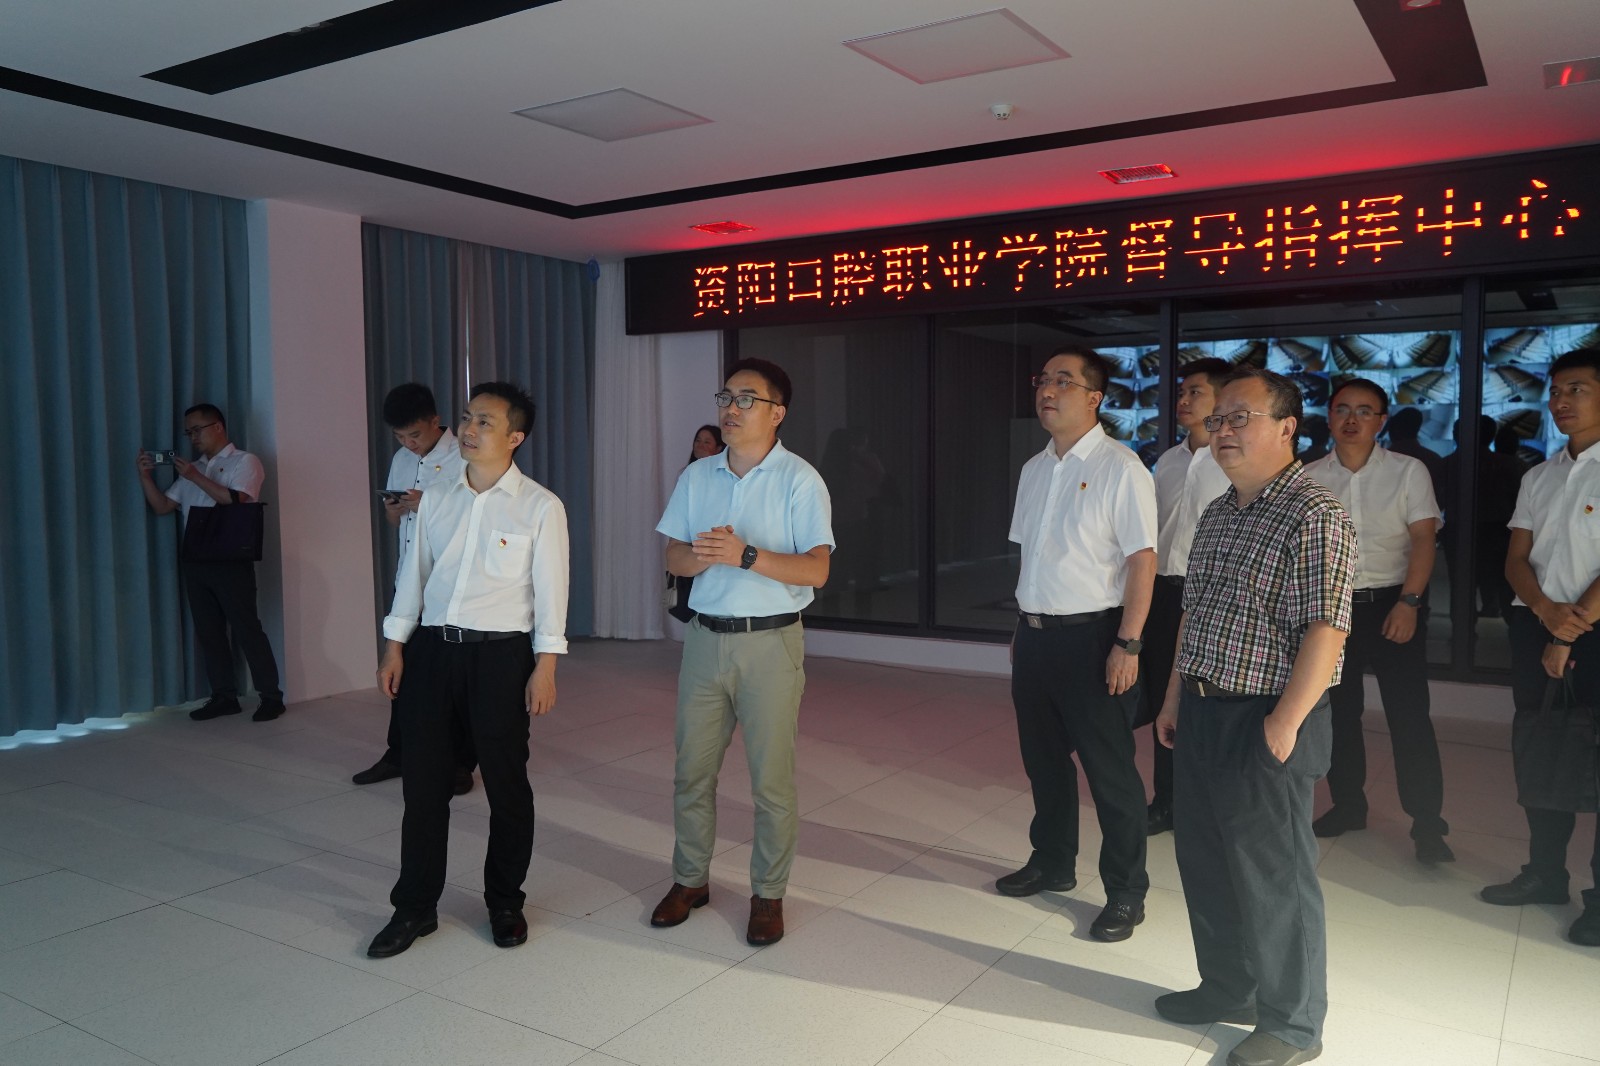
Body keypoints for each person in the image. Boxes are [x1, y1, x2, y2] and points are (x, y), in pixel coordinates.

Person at [1154, 367, 1356, 1066]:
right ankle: (1228, 986)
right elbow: (1193, 614)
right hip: (1202, 708)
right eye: (1218, 419)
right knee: (1206, 860)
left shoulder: (1314, 513)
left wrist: (1285, 722)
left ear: (1287, 428)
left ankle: (1293, 1026)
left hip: (1266, 717)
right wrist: (1175, 696)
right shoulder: (1218, 512)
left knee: (1275, 878)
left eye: (1240, 417)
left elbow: (1327, 628)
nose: (1223, 430)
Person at [366, 382, 569, 959]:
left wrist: (546, 667)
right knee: (423, 786)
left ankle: (505, 901)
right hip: (433, 652)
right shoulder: (437, 497)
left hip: (500, 657)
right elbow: (414, 576)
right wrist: (394, 646)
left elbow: (551, 593)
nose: (470, 430)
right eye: (467, 418)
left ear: (515, 437)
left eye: (485, 422)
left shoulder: (539, 506)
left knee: (506, 784)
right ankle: (414, 907)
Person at [650, 358, 833, 947]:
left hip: (771, 642)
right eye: (726, 397)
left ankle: (768, 894)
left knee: (770, 781)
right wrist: (704, 555)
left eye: (746, 399)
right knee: (691, 772)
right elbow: (674, 558)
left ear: (777, 413)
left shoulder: (800, 479)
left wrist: (745, 555)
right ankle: (689, 880)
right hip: (705, 641)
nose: (731, 408)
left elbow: (817, 569)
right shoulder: (698, 476)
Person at [998, 346, 1157, 944]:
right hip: (1037, 637)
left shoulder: (1122, 467)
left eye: (1064, 381)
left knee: (1110, 773)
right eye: (1043, 379)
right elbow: (1033, 558)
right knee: (1043, 761)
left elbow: (1142, 561)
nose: (1047, 390)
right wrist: (1022, 629)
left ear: (1095, 397)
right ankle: (1052, 861)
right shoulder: (1034, 469)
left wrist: (1129, 644)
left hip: (1095, 639)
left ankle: (1126, 891)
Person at [1304, 379, 1451, 863]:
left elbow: (1424, 540)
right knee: (1339, 714)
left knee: (1409, 716)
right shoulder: (1307, 477)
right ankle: (1348, 806)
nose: (1352, 419)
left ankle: (1427, 824)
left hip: (1394, 602)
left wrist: (1409, 602)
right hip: (1333, 609)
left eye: (1365, 411)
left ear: (1381, 421)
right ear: (1329, 417)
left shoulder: (1408, 471)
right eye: (1343, 409)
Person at [1482, 347, 1600, 948]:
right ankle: (1546, 873)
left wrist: (1565, 629)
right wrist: (1547, 615)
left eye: (1576, 389)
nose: (1560, 401)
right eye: (1555, 391)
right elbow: (1515, 559)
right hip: (1538, 623)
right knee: (1540, 746)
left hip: (1590, 631)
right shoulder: (1539, 475)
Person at [352, 383, 475, 795]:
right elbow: (396, 524)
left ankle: (460, 762)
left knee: (453, 676)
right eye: (400, 437)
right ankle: (398, 753)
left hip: (450, 586)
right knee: (400, 667)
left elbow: (477, 522)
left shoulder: (465, 457)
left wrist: (431, 505)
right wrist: (394, 509)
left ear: (435, 421)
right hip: (409, 580)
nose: (409, 444)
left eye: (415, 435)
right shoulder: (401, 459)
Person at [136, 403, 284, 722]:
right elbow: (162, 506)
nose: (192, 438)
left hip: (231, 557)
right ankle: (223, 696)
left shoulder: (245, 461)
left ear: (217, 427)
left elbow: (234, 500)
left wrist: (194, 476)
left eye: (196, 430)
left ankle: (271, 696)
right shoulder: (193, 467)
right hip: (196, 556)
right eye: (188, 433)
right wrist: (145, 477)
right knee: (209, 631)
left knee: (246, 627)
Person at [1143, 357, 1233, 835]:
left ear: (1222, 399)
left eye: (1195, 392)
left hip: (1212, 598)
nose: (1183, 400)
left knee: (1210, 703)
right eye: (1181, 392)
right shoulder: (1168, 461)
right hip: (1163, 593)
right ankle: (1167, 800)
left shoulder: (1233, 461)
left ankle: (1208, 805)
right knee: (1166, 697)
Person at [667, 425, 725, 624]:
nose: (700, 445)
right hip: (691, 543)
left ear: (718, 448)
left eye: (707, 441)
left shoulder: (724, 476)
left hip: (712, 541)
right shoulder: (687, 475)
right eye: (698, 440)